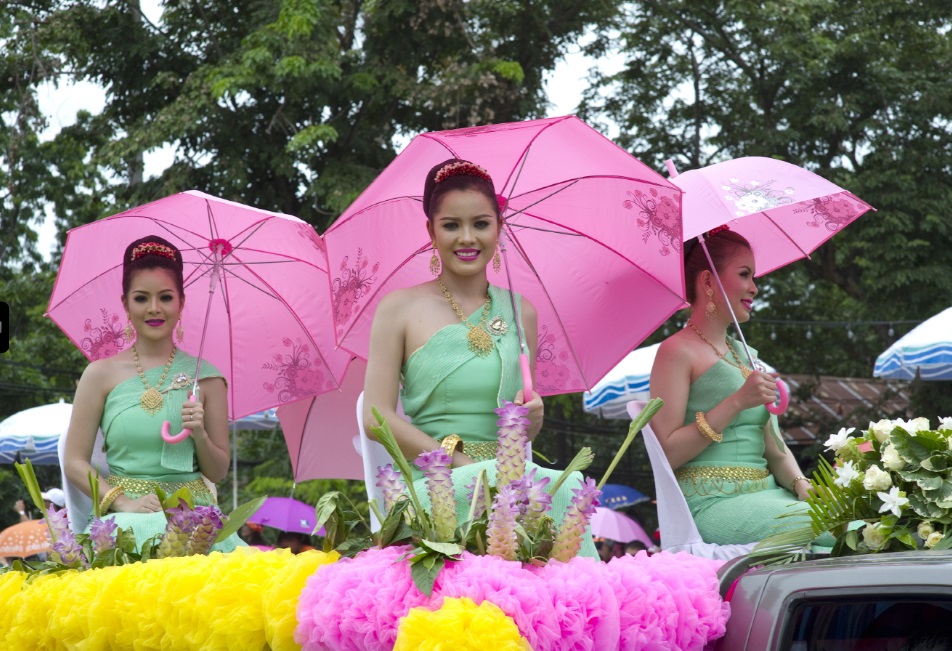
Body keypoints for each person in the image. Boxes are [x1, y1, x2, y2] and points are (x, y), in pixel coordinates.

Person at [363, 158, 597, 558]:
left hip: (510, 482)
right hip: (437, 485)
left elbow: (517, 424)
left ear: (499, 228)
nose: (467, 238)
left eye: (481, 224)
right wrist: (452, 462)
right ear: (431, 231)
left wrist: (532, 420)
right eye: (451, 225)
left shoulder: (521, 311)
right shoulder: (398, 308)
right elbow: (374, 417)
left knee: (569, 486)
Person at [649, 227, 833, 547]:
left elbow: (775, 449)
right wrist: (735, 402)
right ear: (708, 281)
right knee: (843, 532)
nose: (755, 288)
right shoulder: (676, 352)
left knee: (861, 520)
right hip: (713, 504)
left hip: (768, 495)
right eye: (745, 275)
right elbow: (667, 453)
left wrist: (802, 484)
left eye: (753, 276)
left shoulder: (745, 355)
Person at [62, 236, 243, 551]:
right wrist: (120, 502)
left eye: (166, 297)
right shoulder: (99, 374)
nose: (154, 309)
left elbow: (218, 471)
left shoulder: (207, 378)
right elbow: (74, 461)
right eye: (142, 298)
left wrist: (199, 433)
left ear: (181, 303)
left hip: (195, 527)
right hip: (127, 524)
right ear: (125, 304)